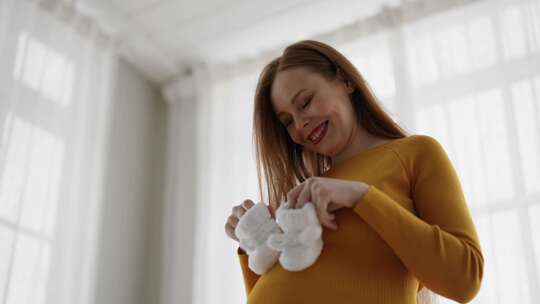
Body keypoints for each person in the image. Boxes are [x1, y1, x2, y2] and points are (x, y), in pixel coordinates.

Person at [224, 40, 483, 303]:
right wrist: (253, 242)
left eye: (305, 102)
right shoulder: (307, 195)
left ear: (346, 80)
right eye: (288, 121)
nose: (300, 125)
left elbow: (465, 279)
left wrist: (361, 196)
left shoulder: (415, 154)